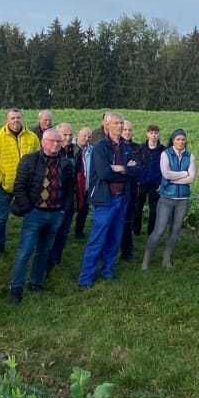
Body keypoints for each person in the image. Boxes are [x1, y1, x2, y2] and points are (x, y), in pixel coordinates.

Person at [6, 127, 76, 301]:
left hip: (55, 214)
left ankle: (36, 282)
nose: (56, 144)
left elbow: (69, 190)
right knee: (25, 251)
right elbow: (19, 187)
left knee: (44, 250)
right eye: (52, 141)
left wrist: (63, 210)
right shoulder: (30, 160)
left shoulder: (66, 163)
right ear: (43, 142)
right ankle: (16, 288)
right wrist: (29, 208)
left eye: (59, 141)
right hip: (35, 213)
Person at [78, 113, 135, 288]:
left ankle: (108, 270)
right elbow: (104, 173)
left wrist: (122, 169)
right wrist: (126, 171)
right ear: (107, 126)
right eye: (116, 123)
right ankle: (86, 277)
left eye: (121, 123)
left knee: (115, 237)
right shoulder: (100, 147)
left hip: (121, 199)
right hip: (105, 200)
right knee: (97, 238)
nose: (119, 126)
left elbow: (137, 170)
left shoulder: (126, 147)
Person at [0, 109, 39, 255]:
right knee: (2, 217)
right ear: (7, 120)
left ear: (22, 119)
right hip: (6, 186)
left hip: (26, 186)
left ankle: (27, 244)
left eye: (18, 117)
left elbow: (39, 159)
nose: (15, 121)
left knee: (30, 215)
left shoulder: (32, 137)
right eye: (12, 118)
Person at [143, 129, 196, 269]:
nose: (180, 142)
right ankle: (146, 260)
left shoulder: (190, 156)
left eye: (183, 139)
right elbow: (166, 174)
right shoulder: (165, 154)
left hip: (183, 199)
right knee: (159, 230)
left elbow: (191, 178)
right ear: (173, 140)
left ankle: (166, 260)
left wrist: (176, 178)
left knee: (175, 230)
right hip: (167, 198)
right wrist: (184, 173)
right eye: (178, 139)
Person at [46, 122, 78, 271]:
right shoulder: (51, 153)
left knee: (64, 232)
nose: (68, 138)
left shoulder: (76, 152)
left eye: (70, 135)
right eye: (64, 135)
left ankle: (55, 259)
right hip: (53, 201)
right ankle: (45, 260)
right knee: (52, 232)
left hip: (69, 199)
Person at [118, 120, 145, 261]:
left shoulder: (137, 148)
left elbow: (139, 168)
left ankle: (127, 252)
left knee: (128, 221)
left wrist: (124, 168)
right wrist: (129, 166)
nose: (127, 132)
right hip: (118, 189)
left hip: (132, 190)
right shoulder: (116, 146)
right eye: (125, 130)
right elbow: (113, 167)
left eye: (130, 130)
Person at [133, 124, 165, 238]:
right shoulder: (140, 149)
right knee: (138, 207)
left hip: (155, 184)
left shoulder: (163, 150)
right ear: (147, 134)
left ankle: (151, 232)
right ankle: (136, 230)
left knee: (154, 209)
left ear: (158, 134)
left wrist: (162, 183)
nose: (153, 135)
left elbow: (165, 168)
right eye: (151, 133)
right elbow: (136, 164)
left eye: (156, 133)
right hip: (141, 183)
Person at [73, 125, 95, 241]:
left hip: (86, 186)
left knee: (84, 210)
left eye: (89, 136)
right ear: (78, 135)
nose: (86, 138)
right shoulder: (71, 149)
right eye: (84, 135)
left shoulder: (92, 150)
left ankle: (79, 231)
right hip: (74, 185)